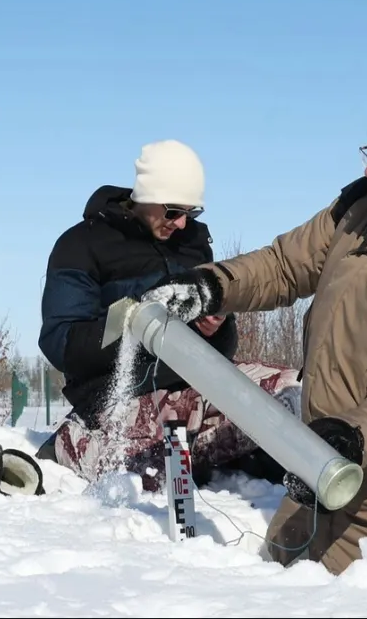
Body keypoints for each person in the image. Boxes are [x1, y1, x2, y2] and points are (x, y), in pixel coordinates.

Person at [144, 87, 367, 574]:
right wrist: (213, 286)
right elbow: (283, 265)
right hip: (318, 486)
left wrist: (340, 443)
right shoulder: (360, 214)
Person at [38, 140, 296, 488]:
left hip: (198, 387)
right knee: (146, 475)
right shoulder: (81, 245)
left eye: (191, 213)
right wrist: (136, 317)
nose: (181, 223)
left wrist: (214, 327)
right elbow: (61, 344)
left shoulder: (193, 245)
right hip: (123, 399)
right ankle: (75, 446)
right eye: (173, 211)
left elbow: (223, 350)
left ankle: (241, 458)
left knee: (294, 392)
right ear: (146, 196)